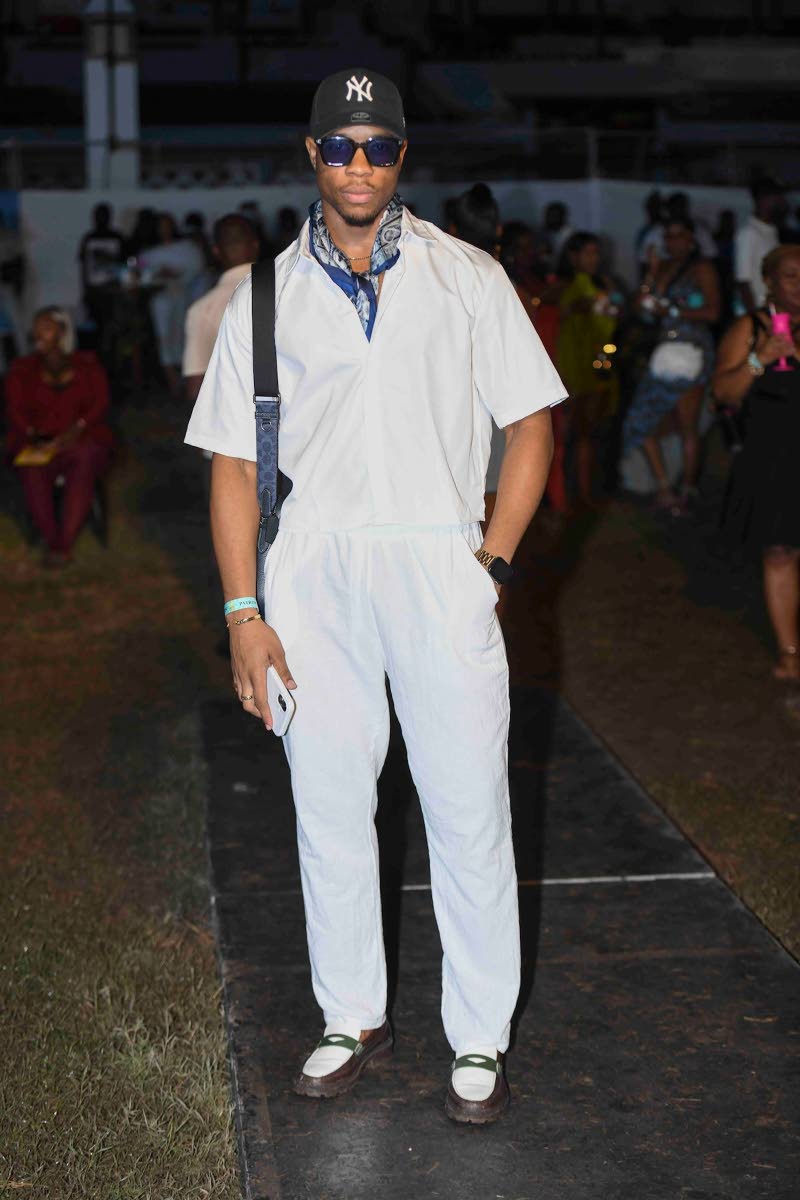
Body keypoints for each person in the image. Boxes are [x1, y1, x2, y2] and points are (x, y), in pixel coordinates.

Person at [185, 67, 565, 1124]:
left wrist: (485, 565)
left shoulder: (466, 276)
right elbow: (227, 465)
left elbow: (530, 423)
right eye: (340, 145)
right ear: (312, 155)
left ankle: (477, 1033)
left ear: (402, 156)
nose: (359, 164)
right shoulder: (261, 294)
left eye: (378, 146)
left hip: (437, 558)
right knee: (327, 803)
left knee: (467, 806)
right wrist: (241, 614)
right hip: (311, 570)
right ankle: (349, 1011)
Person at [713, 245, 800, 682]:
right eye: (790, 276)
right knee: (780, 552)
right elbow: (724, 394)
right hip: (773, 459)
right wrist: (759, 359)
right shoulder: (751, 328)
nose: (799, 285)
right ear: (769, 280)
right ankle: (790, 653)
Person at [622, 217, 720, 512]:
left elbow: (713, 312)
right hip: (664, 351)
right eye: (668, 236)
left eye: (678, 235)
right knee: (641, 420)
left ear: (691, 240)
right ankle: (665, 487)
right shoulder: (663, 268)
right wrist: (651, 272)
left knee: (687, 423)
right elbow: (641, 307)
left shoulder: (702, 269)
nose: (671, 241)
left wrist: (674, 309)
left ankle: (687, 491)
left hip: (691, 350)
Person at [5, 306, 113, 566]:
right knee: (32, 469)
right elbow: (15, 408)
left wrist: (77, 428)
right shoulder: (22, 369)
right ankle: (53, 540)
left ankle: (65, 541)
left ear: (62, 332)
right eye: (36, 328)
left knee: (84, 459)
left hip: (81, 437)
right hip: (38, 440)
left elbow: (100, 402)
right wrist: (34, 435)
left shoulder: (86, 364)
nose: (37, 334)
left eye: (46, 327)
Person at [556, 232, 620, 506]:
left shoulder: (601, 285)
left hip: (598, 362)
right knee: (576, 432)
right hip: (574, 364)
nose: (595, 258)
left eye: (597, 253)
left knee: (590, 431)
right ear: (573, 256)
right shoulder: (566, 285)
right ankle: (576, 494)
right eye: (588, 253)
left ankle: (585, 492)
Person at [183, 214, 261, 406]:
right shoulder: (293, 292)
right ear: (256, 246)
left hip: (234, 418)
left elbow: (196, 389)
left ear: (216, 251)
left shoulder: (202, 309)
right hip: (298, 421)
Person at [139, 213, 205, 398]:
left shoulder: (185, 249)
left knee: (182, 336)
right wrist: (160, 275)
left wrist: (178, 275)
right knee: (164, 337)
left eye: (167, 225)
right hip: (161, 299)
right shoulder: (150, 251)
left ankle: (185, 378)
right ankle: (172, 379)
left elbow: (195, 268)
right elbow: (142, 273)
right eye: (161, 226)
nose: (164, 230)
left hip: (183, 297)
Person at [77, 203, 125, 350]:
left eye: (103, 216)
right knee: (96, 328)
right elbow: (84, 267)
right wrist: (85, 290)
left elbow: (124, 264)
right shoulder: (89, 238)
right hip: (95, 291)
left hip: (112, 290)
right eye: (98, 216)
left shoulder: (117, 237)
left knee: (112, 327)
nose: (101, 219)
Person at [734, 179, 784, 314]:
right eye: (777, 198)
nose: (781, 203)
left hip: (772, 309)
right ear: (763, 200)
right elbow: (743, 281)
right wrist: (756, 317)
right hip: (757, 312)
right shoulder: (748, 233)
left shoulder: (771, 230)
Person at [542, 201, 573, 267]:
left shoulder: (571, 235)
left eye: (554, 216)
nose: (550, 219)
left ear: (562, 216)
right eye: (548, 216)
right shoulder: (543, 233)